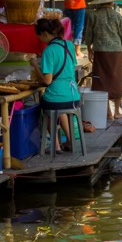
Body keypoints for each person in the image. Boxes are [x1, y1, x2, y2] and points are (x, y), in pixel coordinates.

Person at [30, 18, 81, 153]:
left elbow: (47, 81)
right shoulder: (69, 45)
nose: (40, 39)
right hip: (73, 95)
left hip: (57, 96)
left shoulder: (48, 51)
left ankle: (56, 145)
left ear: (45, 34)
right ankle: (70, 141)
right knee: (60, 108)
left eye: (39, 36)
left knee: (45, 107)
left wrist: (35, 65)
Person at [83, 0, 122, 121]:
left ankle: (108, 113)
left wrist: (89, 49)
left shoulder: (93, 15)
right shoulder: (117, 16)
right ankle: (116, 110)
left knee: (102, 82)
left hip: (100, 51)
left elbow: (89, 35)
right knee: (116, 80)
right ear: (112, 2)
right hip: (115, 52)